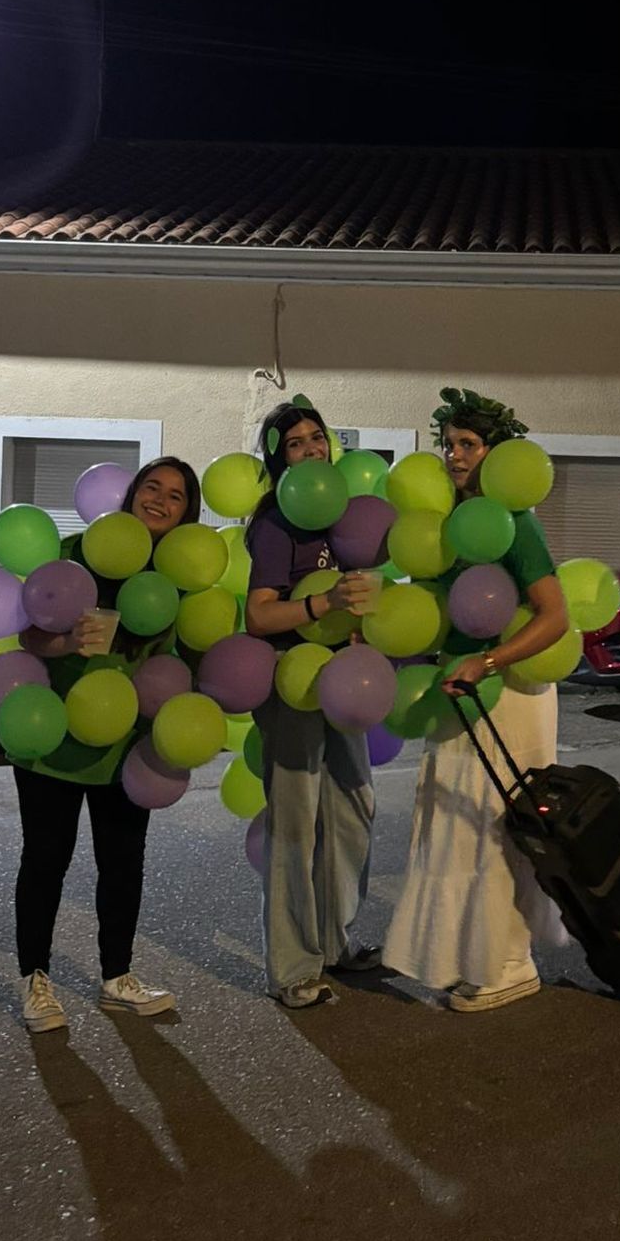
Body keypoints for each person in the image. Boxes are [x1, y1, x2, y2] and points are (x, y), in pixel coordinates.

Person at [383, 387, 572, 1012]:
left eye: (468, 444)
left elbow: (554, 617)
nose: (454, 454)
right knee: (453, 826)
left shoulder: (515, 522)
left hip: (511, 691)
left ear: (495, 455)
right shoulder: (448, 525)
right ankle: (468, 955)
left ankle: (510, 963)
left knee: (499, 829)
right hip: (459, 691)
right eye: (448, 444)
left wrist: (489, 660)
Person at [13, 456, 200, 1033]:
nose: (160, 501)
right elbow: (27, 633)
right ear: (132, 492)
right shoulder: (76, 554)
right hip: (55, 734)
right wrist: (67, 640)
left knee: (123, 864)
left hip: (128, 746)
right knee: (47, 859)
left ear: (186, 514)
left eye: (175, 496)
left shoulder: (177, 577)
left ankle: (118, 977)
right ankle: (36, 981)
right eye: (153, 487)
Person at [245, 398, 380, 1010]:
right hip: (292, 683)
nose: (310, 450)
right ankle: (294, 966)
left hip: (342, 679)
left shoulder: (340, 513)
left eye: (316, 438)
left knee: (354, 806)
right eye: (294, 443)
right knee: (296, 824)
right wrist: (323, 607)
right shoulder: (277, 522)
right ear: (279, 459)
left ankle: (336, 941)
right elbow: (259, 613)